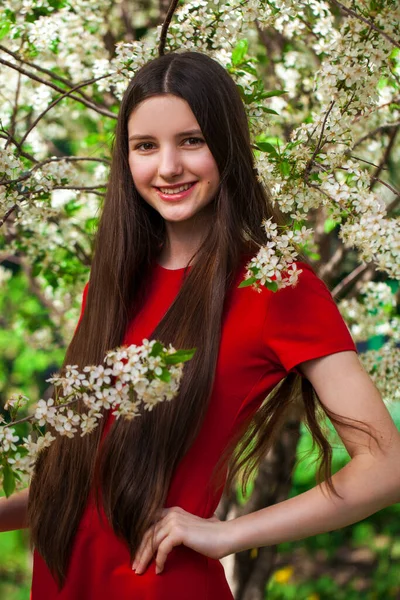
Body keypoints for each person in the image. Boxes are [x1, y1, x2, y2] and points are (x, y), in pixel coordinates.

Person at [1, 50, 399, 600]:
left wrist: (229, 534)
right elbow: (93, 477)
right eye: (146, 146)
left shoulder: (275, 285)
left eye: (192, 141)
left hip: (162, 584)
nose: (168, 167)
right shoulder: (113, 284)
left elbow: (385, 466)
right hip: (64, 580)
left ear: (227, 147)